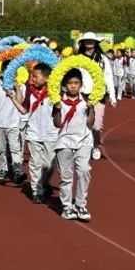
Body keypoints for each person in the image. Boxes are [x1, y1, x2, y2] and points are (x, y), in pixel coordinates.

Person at [53, 68, 95, 222]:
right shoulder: (59, 101)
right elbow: (57, 124)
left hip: (83, 141)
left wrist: (91, 109)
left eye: (76, 83)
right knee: (66, 176)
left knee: (84, 171)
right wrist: (57, 110)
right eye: (70, 83)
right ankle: (66, 206)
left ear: (81, 85)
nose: (73, 86)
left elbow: (90, 123)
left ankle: (81, 204)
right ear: (65, 85)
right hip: (64, 142)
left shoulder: (86, 102)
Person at [10, 62, 55, 204]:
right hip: (34, 133)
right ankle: (37, 191)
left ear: (47, 78)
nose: (33, 79)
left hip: (51, 134)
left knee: (50, 164)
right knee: (35, 163)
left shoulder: (55, 92)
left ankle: (43, 182)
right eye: (32, 76)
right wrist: (12, 98)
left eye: (36, 76)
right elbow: (24, 110)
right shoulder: (30, 92)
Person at [76, 32, 116, 160]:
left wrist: (113, 95)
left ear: (95, 43)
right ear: (83, 43)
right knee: (82, 123)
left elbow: (108, 77)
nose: (89, 43)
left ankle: (96, 145)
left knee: (96, 125)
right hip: (82, 94)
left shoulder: (102, 59)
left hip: (99, 95)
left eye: (91, 40)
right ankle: (85, 147)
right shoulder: (78, 58)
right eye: (86, 40)